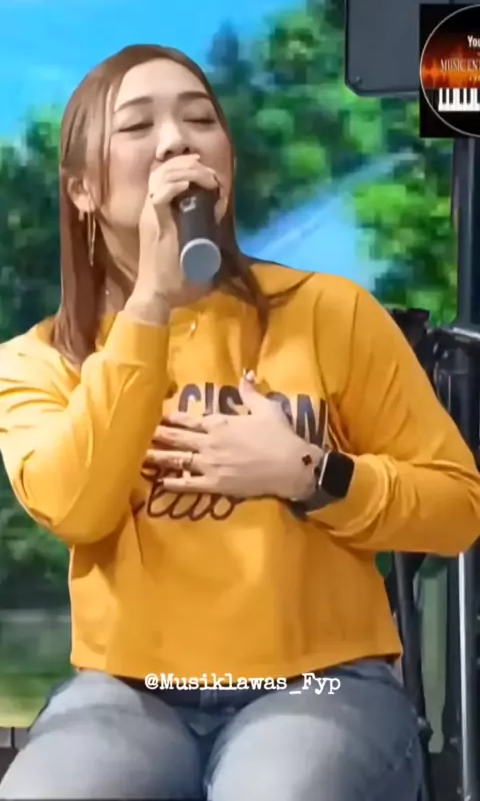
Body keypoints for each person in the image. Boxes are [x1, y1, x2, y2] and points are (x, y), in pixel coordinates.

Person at [0, 44, 479, 801]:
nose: (176, 143)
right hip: (131, 694)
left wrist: (309, 474)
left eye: (200, 120)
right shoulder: (35, 362)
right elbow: (75, 506)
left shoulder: (330, 313)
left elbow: (457, 508)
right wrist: (151, 305)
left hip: (323, 686)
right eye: (138, 126)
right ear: (82, 189)